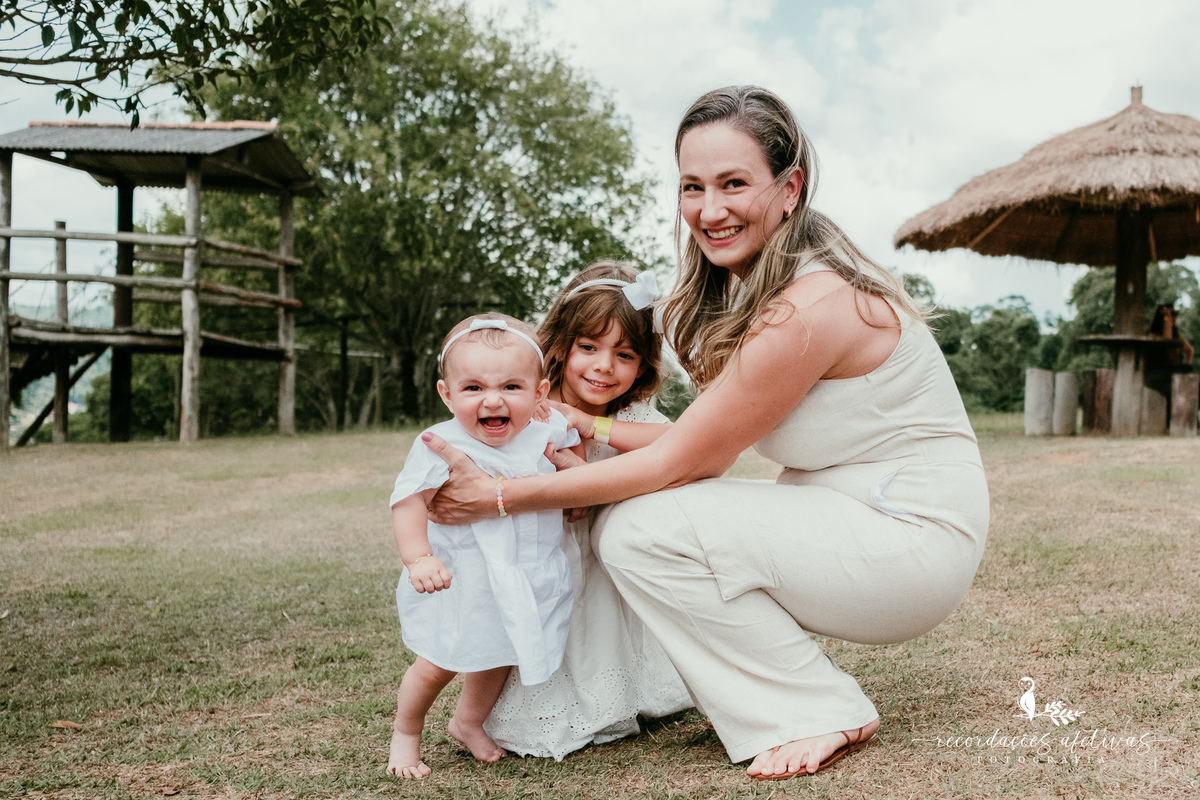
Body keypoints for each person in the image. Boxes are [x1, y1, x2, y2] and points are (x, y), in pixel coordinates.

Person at [421, 86, 989, 781]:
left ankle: (816, 707)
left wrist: (501, 498)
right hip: (855, 519)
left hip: (910, 543)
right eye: (693, 186)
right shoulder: (752, 290)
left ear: (790, 188)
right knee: (643, 527)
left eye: (734, 184)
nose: (710, 210)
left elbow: (683, 461)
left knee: (637, 530)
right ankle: (782, 693)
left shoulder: (809, 308)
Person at [483, 261, 693, 760]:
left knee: (610, 613)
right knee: (563, 618)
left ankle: (625, 693)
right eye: (589, 348)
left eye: (624, 354)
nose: (604, 366)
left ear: (642, 365)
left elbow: (679, 441)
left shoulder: (628, 417)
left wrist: (591, 426)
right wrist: (562, 462)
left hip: (610, 555)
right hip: (551, 552)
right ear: (560, 345)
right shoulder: (534, 405)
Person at [386, 312, 580, 779]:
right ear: (447, 394)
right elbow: (409, 502)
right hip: (462, 577)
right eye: (473, 388)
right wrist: (419, 558)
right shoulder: (440, 441)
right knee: (438, 663)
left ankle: (468, 721)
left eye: (511, 387)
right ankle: (405, 734)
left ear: (540, 393)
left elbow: (577, 468)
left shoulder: (545, 431)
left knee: (502, 651)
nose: (492, 399)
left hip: (527, 571)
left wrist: (576, 490)